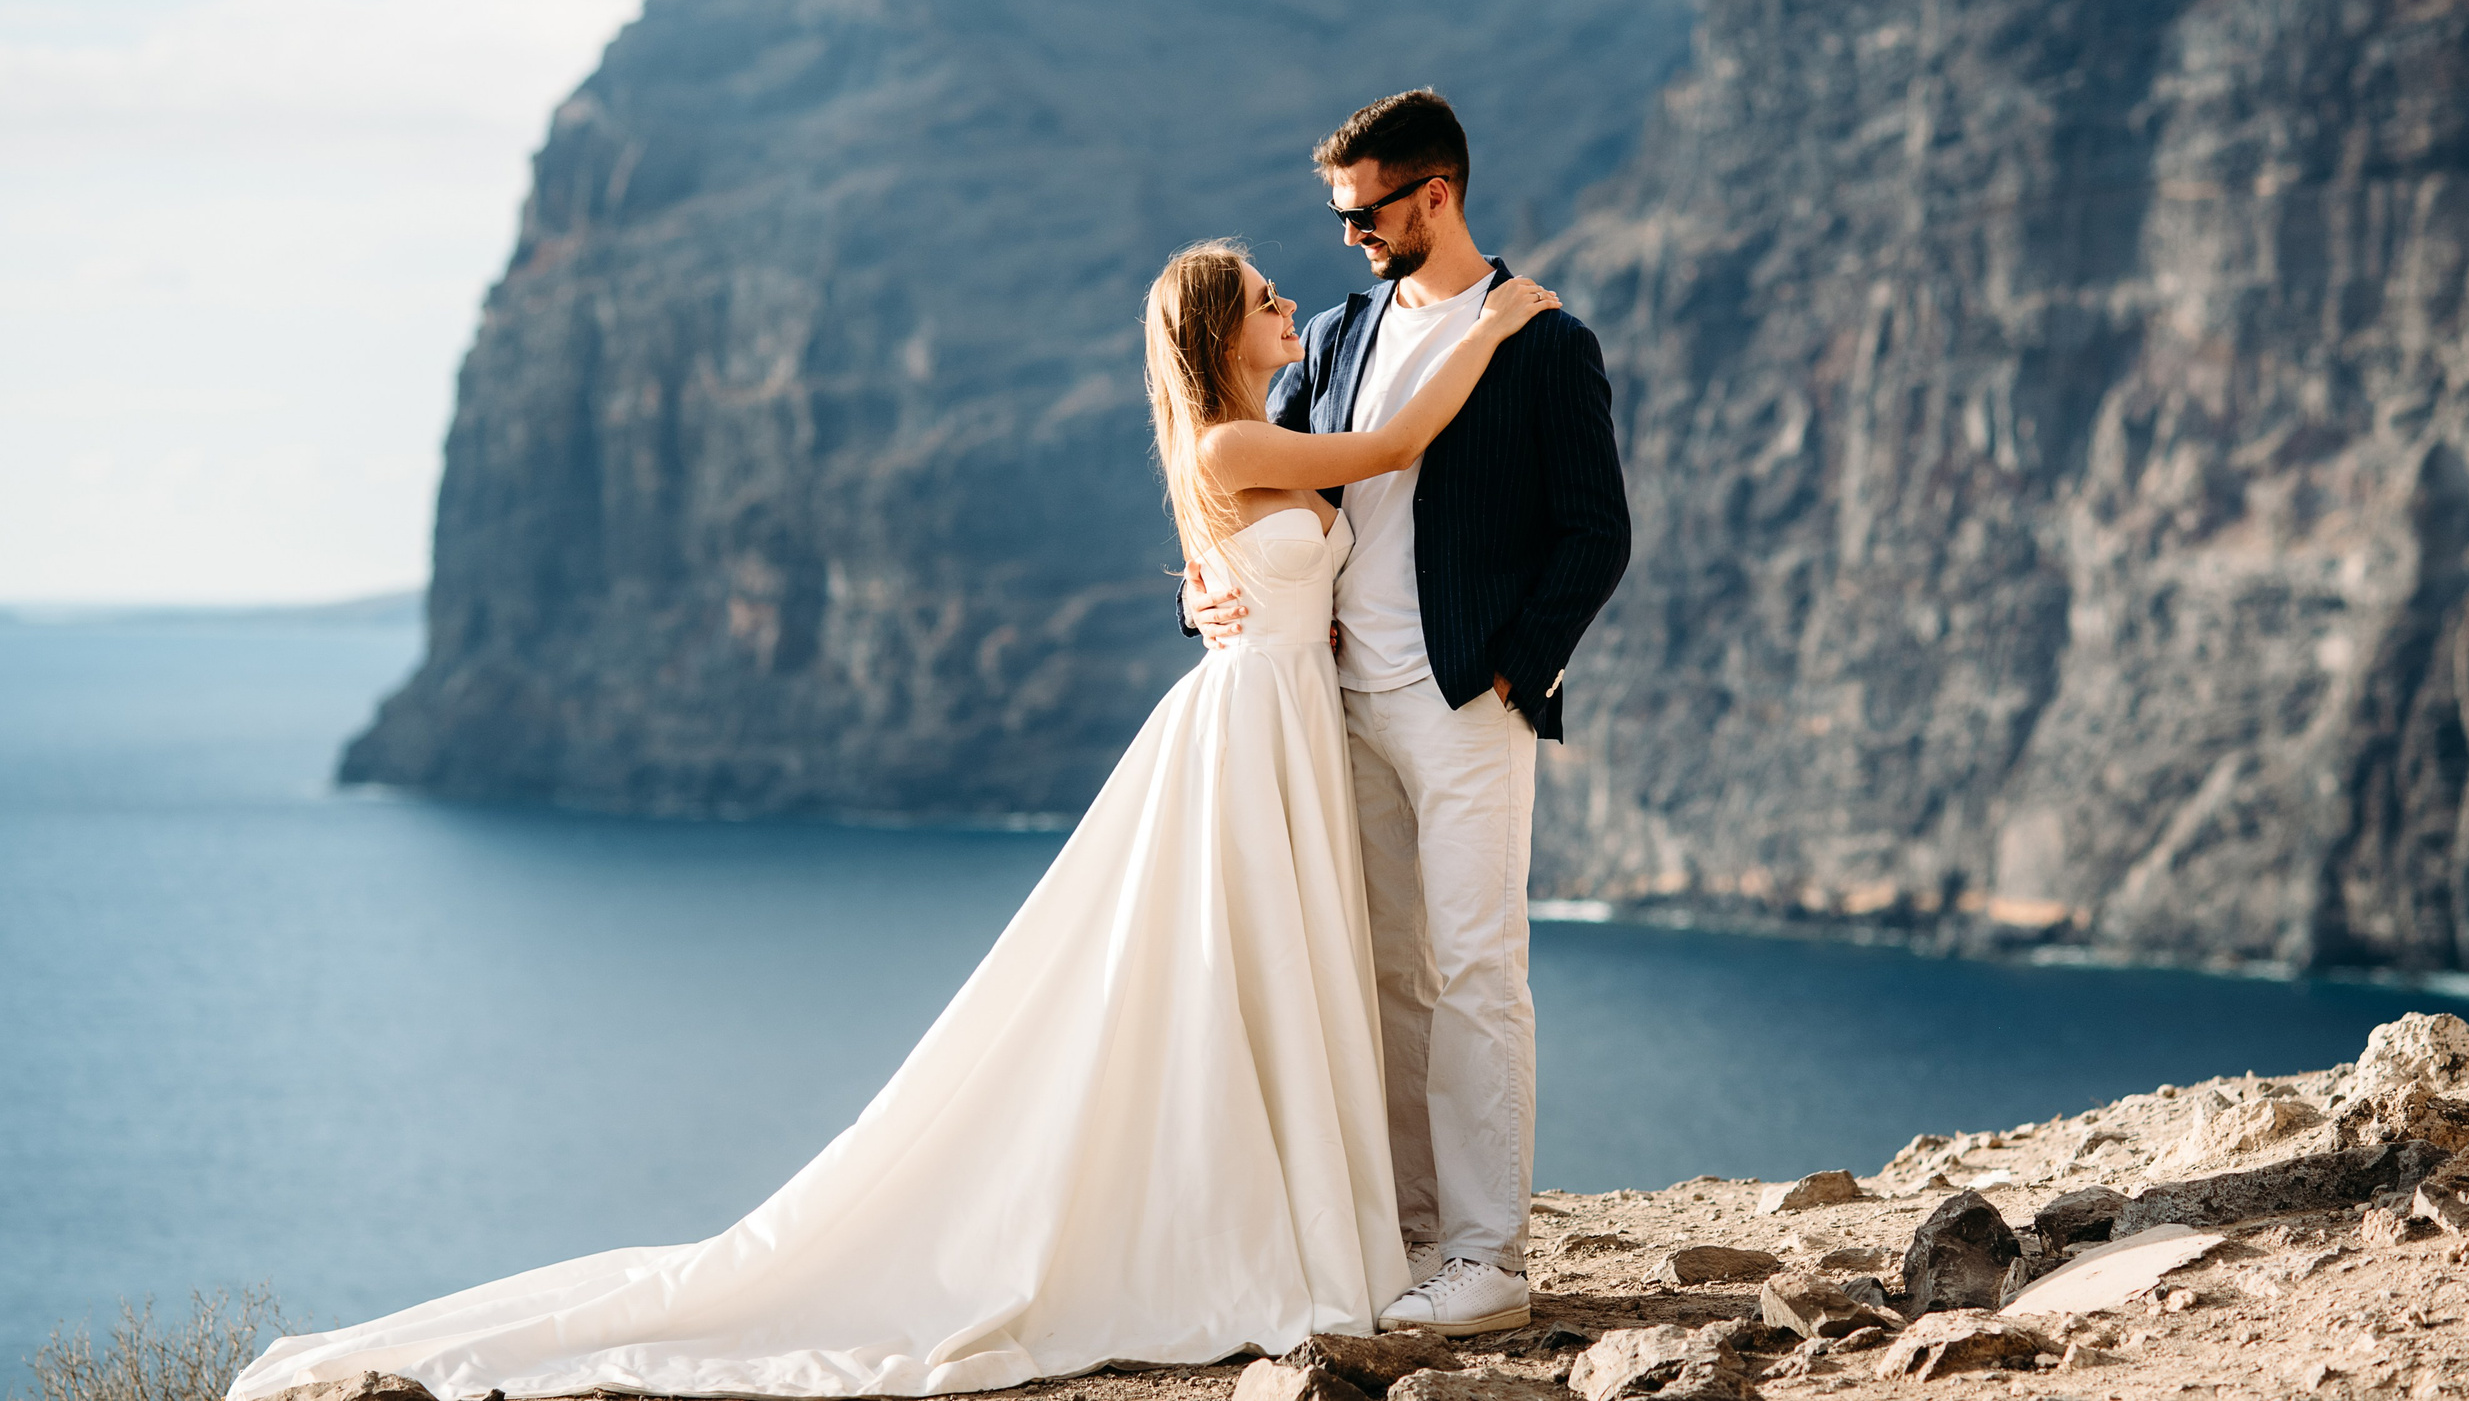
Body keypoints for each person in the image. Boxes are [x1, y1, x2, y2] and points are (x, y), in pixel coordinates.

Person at [225, 242, 1561, 1401]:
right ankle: (1251, 1229)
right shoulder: (1229, 443)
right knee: (1229, 978)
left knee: (1282, 975)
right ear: (1220, 330)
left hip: (1295, 723)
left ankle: (1306, 1213)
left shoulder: (1262, 422)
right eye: (1264, 297)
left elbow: (1292, 545)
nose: (1290, 305)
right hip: (1252, 729)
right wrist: (1495, 324)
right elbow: (1391, 449)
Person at [1185, 90, 1631, 1338]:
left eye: (1365, 210)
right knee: (1384, 972)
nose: (1348, 235)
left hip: (1463, 701)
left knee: (1478, 969)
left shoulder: (1544, 342)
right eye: (1340, 213)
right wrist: (1205, 596)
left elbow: (1596, 533)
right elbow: (1254, 486)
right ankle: (1415, 1235)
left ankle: (1489, 1259)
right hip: (1337, 706)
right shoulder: (1333, 337)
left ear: (1435, 194)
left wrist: (1514, 671)